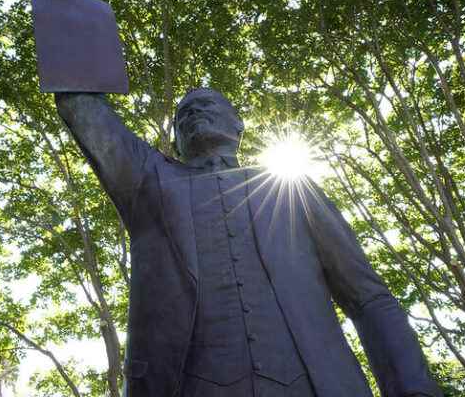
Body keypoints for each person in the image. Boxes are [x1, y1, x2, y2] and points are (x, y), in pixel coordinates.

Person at [54, 88, 442, 397]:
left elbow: (368, 297)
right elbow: (82, 104)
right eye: (182, 115)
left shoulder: (293, 189)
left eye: (206, 105)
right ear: (175, 141)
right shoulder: (151, 183)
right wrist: (76, 15)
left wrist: (413, 388)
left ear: (238, 125)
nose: (193, 113)